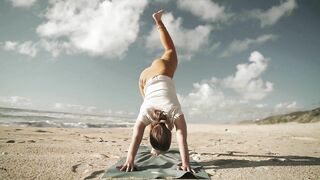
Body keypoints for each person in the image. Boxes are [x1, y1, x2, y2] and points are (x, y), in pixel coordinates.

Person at [118, 9, 195, 173]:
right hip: (143, 82)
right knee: (148, 115)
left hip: (161, 71)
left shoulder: (175, 112)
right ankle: (156, 147)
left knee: (170, 50)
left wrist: (185, 162)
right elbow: (137, 137)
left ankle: (158, 20)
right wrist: (130, 159)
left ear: (169, 132)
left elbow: (182, 138)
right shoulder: (146, 112)